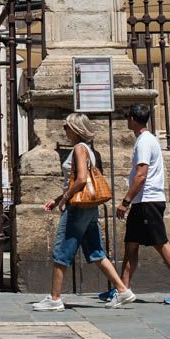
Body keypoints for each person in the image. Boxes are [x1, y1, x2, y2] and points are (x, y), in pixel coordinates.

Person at [31, 113, 134, 311]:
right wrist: (58, 199)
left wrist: (66, 198)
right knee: (96, 251)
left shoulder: (79, 148)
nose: (64, 130)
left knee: (61, 251)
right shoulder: (89, 149)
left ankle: (54, 298)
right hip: (89, 208)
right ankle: (122, 290)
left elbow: (80, 179)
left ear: (76, 129)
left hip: (77, 209)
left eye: (66, 126)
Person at [115, 103, 170, 304]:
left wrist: (125, 201)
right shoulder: (145, 140)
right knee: (131, 245)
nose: (127, 120)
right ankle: (123, 289)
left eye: (128, 117)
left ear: (133, 119)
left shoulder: (144, 141)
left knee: (160, 242)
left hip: (148, 201)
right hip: (142, 201)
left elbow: (141, 174)